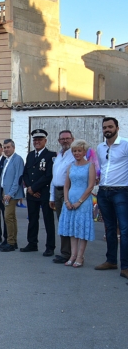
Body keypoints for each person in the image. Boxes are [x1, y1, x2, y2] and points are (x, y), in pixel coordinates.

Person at [95, 117, 128, 279]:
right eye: (104, 127)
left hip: (122, 191)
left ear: (117, 127)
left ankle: (126, 266)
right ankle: (111, 260)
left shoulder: (126, 144)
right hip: (103, 191)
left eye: (110, 126)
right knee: (108, 228)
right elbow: (102, 167)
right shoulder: (100, 147)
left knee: (124, 229)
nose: (107, 129)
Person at [58, 140, 96, 268]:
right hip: (70, 200)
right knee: (72, 229)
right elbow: (66, 185)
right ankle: (72, 255)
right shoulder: (71, 166)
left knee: (81, 229)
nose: (77, 153)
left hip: (83, 201)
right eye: (74, 151)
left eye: (79, 151)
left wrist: (79, 201)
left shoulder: (90, 165)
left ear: (84, 151)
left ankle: (80, 256)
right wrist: (67, 201)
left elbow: (91, 186)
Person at [21, 129, 56, 256]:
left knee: (48, 220)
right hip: (32, 193)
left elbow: (48, 175)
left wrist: (34, 188)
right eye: (35, 140)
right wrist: (30, 188)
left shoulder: (51, 155)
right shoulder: (30, 155)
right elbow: (25, 173)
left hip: (44, 192)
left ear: (45, 141)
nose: (37, 142)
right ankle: (32, 243)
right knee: (32, 219)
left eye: (40, 140)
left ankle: (50, 246)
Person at [49, 130, 76, 264]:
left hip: (70, 192)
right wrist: (51, 197)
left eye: (67, 138)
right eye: (62, 139)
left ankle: (71, 253)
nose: (65, 141)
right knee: (62, 223)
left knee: (69, 222)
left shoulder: (75, 154)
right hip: (57, 190)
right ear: (59, 141)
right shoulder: (59, 155)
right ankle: (65, 252)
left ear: (72, 139)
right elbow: (54, 177)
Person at [0, 139, 25, 252]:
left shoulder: (17, 159)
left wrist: (10, 193)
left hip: (11, 193)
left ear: (13, 147)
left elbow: (18, 178)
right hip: (5, 191)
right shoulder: (6, 160)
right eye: (4, 147)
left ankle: (10, 242)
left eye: (8, 147)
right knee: (11, 218)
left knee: (8, 217)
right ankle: (13, 241)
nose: (6, 149)